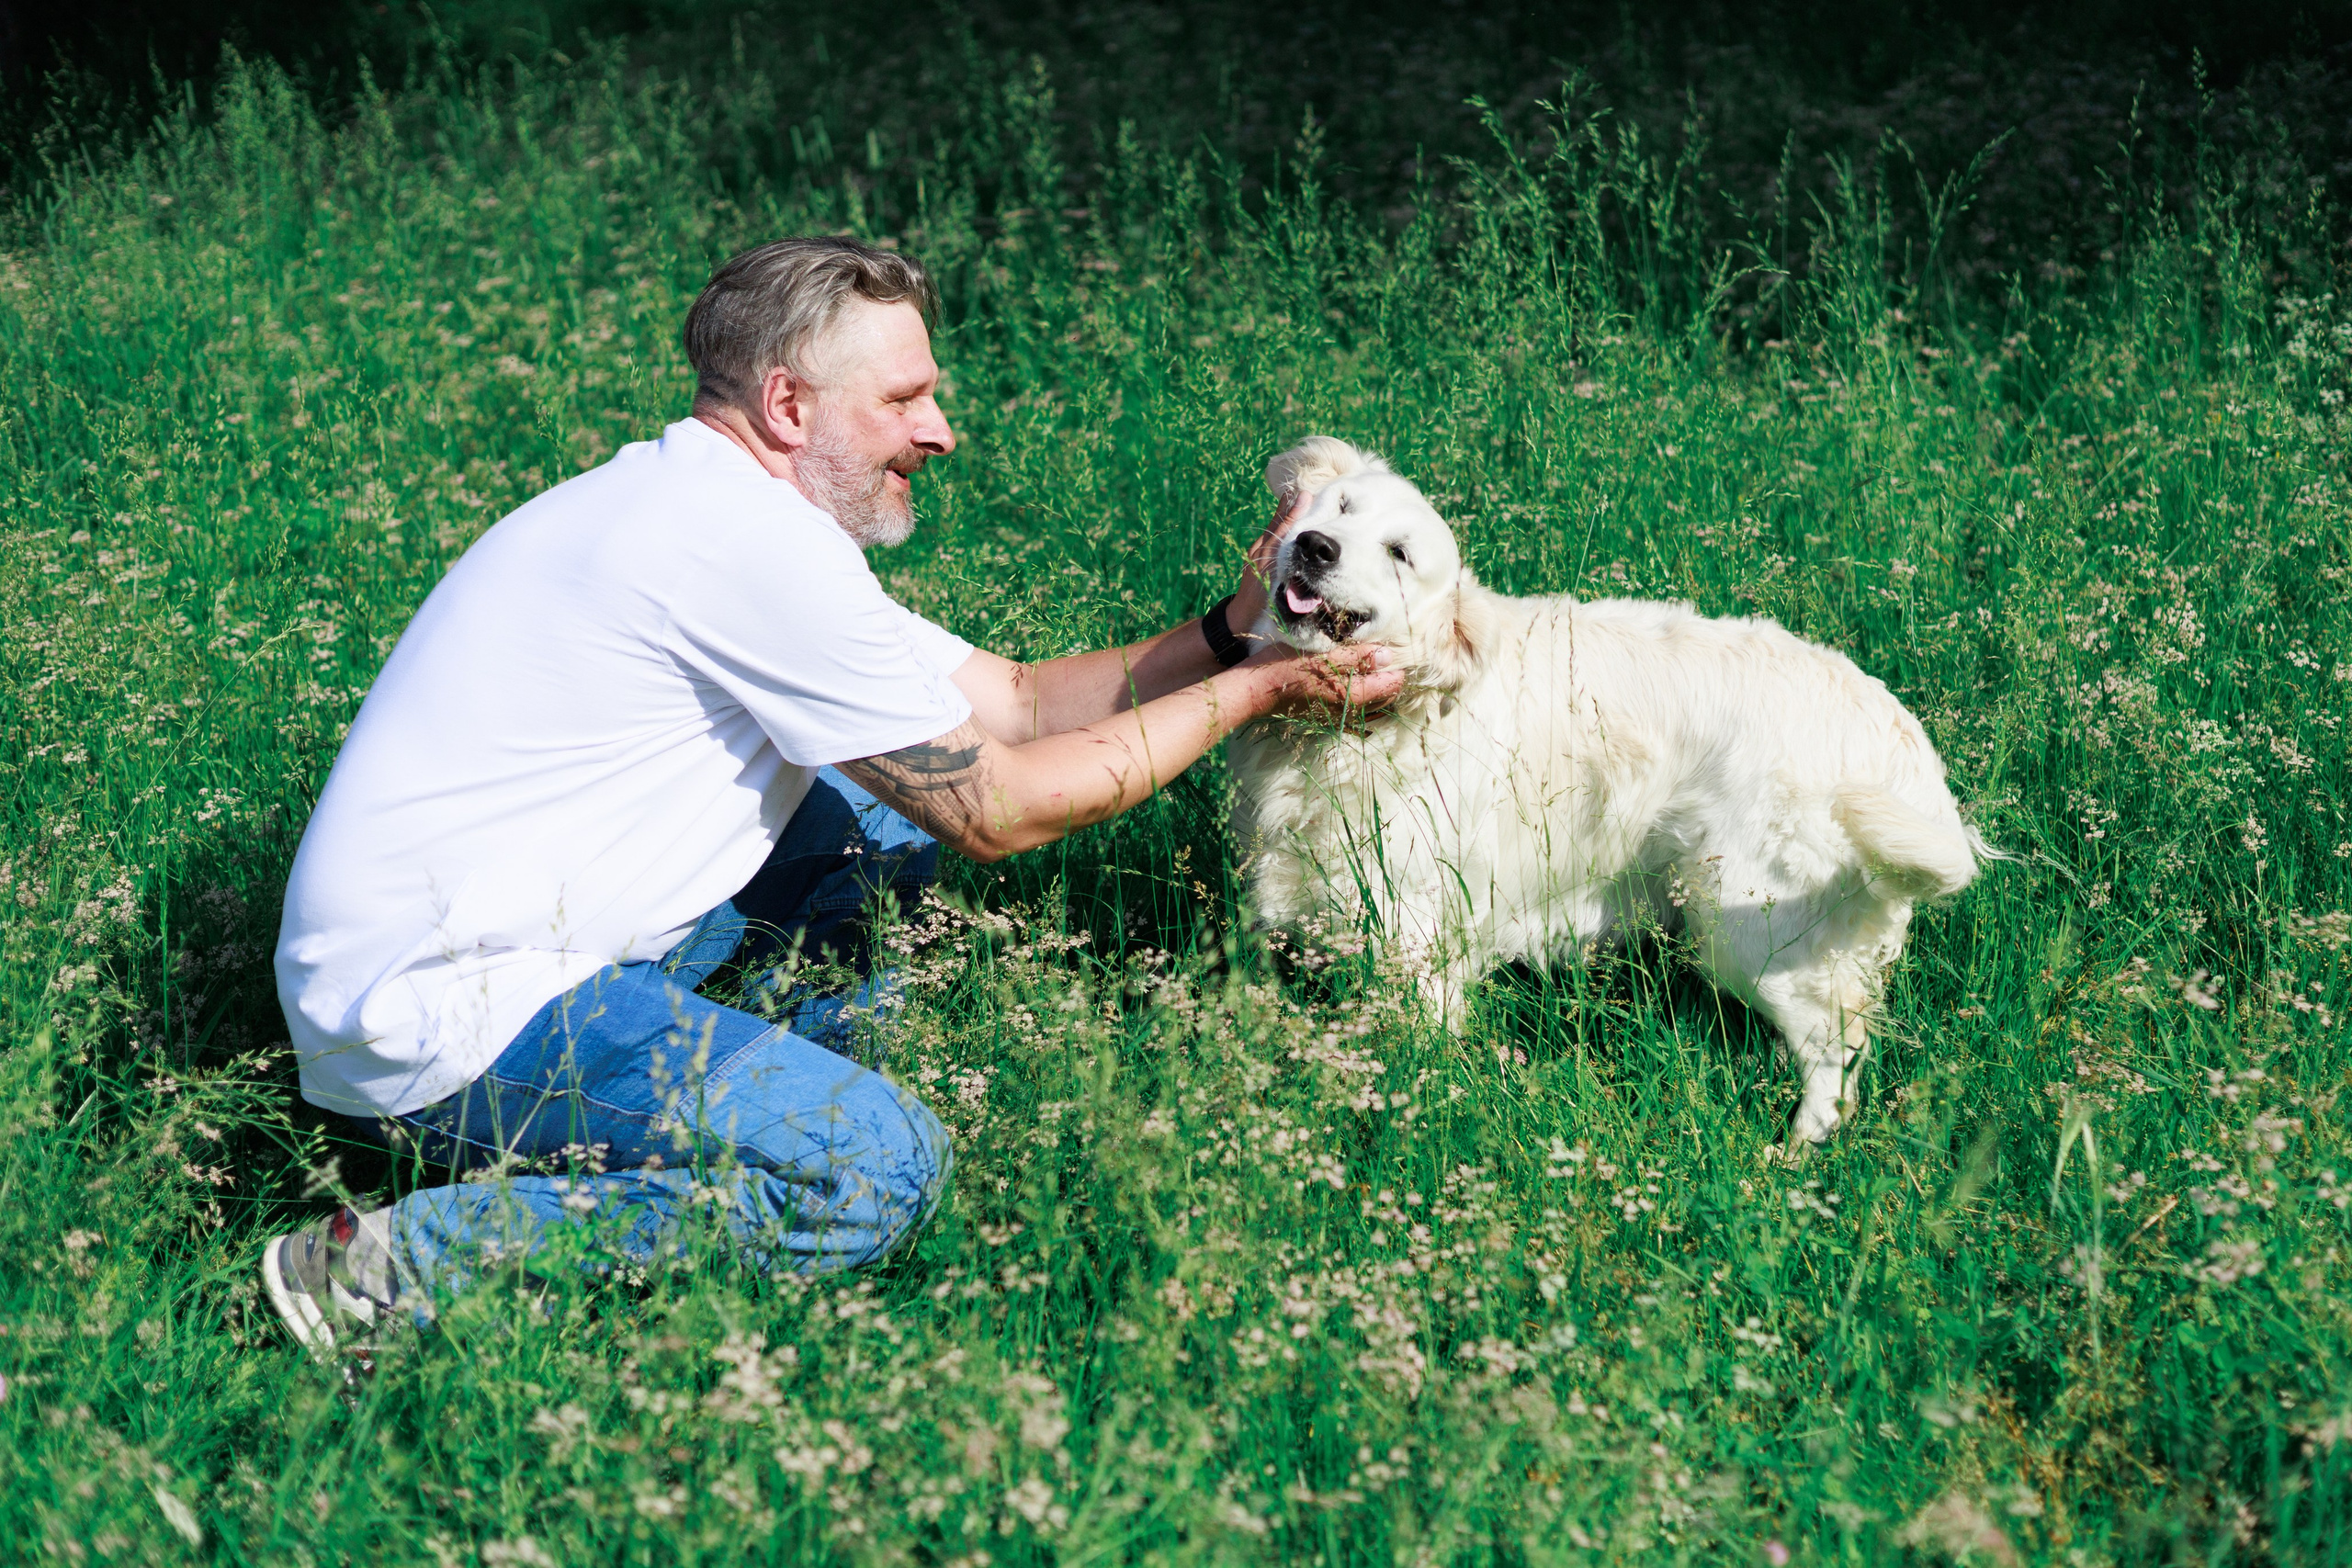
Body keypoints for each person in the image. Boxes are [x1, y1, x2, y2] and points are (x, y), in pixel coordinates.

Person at [260, 235, 1400, 1359]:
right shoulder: (740, 550)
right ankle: (391, 1265)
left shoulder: (700, 505)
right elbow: (1002, 809)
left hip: (471, 957)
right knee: (878, 1170)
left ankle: (787, 1068)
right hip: (444, 1027)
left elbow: (1008, 706)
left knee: (879, 818)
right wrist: (1266, 687)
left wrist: (1235, 625)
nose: (940, 433)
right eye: (905, 399)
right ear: (788, 404)